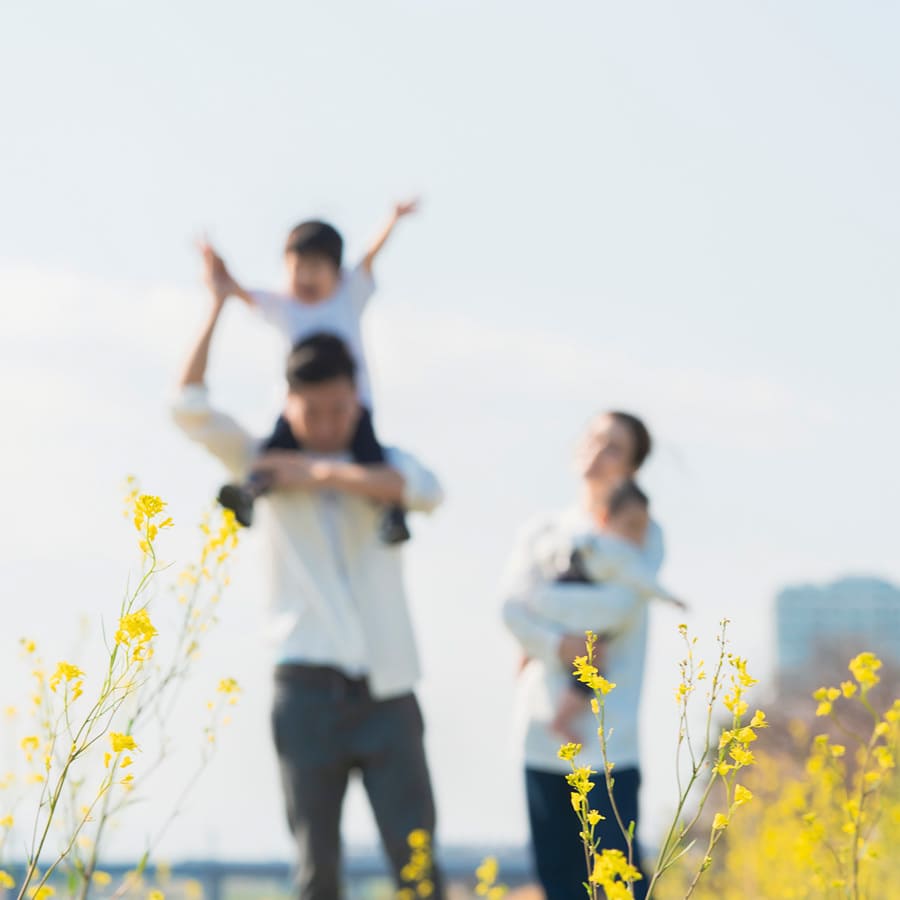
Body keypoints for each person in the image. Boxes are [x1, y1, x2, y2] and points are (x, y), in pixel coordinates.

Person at [170, 278, 445, 900]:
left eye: (339, 410)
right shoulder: (258, 459)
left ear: (359, 399)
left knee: (418, 863)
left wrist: (316, 472)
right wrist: (215, 305)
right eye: (311, 411)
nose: (325, 424)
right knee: (315, 868)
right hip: (305, 690)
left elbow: (429, 491)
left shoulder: (385, 464)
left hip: (389, 687)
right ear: (287, 400)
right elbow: (187, 407)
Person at [501, 412, 664, 900]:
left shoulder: (641, 531)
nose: (597, 453)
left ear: (633, 470)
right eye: (593, 440)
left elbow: (617, 604)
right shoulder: (541, 530)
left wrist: (540, 609)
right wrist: (559, 643)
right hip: (540, 735)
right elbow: (506, 607)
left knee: (620, 888)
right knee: (560, 887)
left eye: (614, 448)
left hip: (611, 745)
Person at [199, 199, 419, 542]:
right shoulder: (284, 305)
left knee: (371, 459)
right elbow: (239, 293)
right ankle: (250, 492)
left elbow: (370, 256)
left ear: (337, 271)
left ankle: (393, 515)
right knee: (271, 455)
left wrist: (393, 219)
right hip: (297, 409)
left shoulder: (348, 297)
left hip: (353, 407)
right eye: (296, 268)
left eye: (315, 268)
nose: (304, 277)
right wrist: (221, 273)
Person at [530, 480, 685, 743]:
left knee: (580, 672)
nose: (636, 536)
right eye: (631, 526)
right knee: (591, 673)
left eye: (642, 529)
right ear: (605, 518)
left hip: (567, 601)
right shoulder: (621, 552)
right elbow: (644, 581)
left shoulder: (588, 541)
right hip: (580, 613)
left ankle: (560, 718)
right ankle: (561, 720)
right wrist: (671, 599)